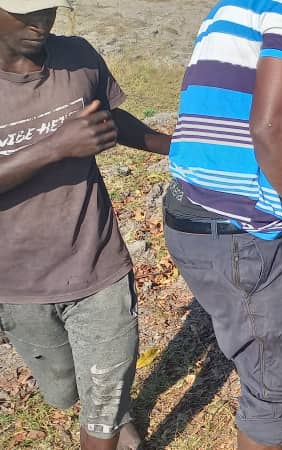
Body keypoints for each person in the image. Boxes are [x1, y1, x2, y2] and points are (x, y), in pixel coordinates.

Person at [0, 1, 171, 449]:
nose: (42, 22)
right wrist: (55, 146)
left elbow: (108, 118)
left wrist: (180, 148)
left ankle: (109, 418)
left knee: (104, 403)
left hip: (97, 263)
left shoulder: (76, 56)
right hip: (17, 282)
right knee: (63, 390)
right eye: (25, 12)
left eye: (49, 9)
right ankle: (104, 408)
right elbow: (66, 141)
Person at [163, 1, 282, 448]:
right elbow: (270, 126)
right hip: (241, 232)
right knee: (273, 383)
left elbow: (214, 116)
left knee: (248, 337)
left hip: (187, 210)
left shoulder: (229, 6)